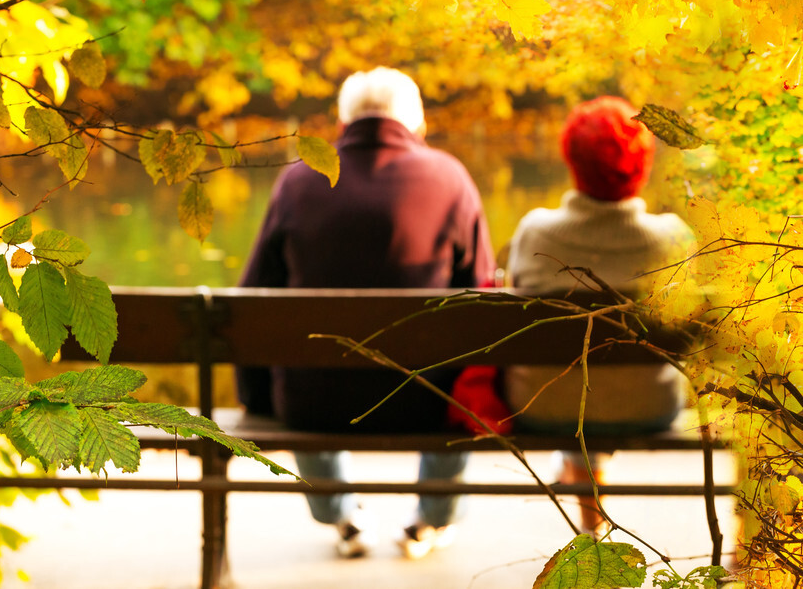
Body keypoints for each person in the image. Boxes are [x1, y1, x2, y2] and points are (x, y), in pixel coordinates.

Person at [238, 67, 496, 559]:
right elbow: (481, 302)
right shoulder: (450, 178)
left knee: (303, 370)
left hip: (314, 406)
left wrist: (257, 397)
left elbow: (252, 297)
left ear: (342, 123)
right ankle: (432, 520)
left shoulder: (298, 181)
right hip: (427, 404)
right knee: (457, 368)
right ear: (417, 125)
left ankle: (342, 517)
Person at [503, 95, 695, 533]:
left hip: (545, 406)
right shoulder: (674, 239)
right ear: (642, 165)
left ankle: (590, 525)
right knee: (596, 377)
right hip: (651, 405)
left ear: (571, 159)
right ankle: (590, 509)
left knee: (576, 381)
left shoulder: (535, 231)